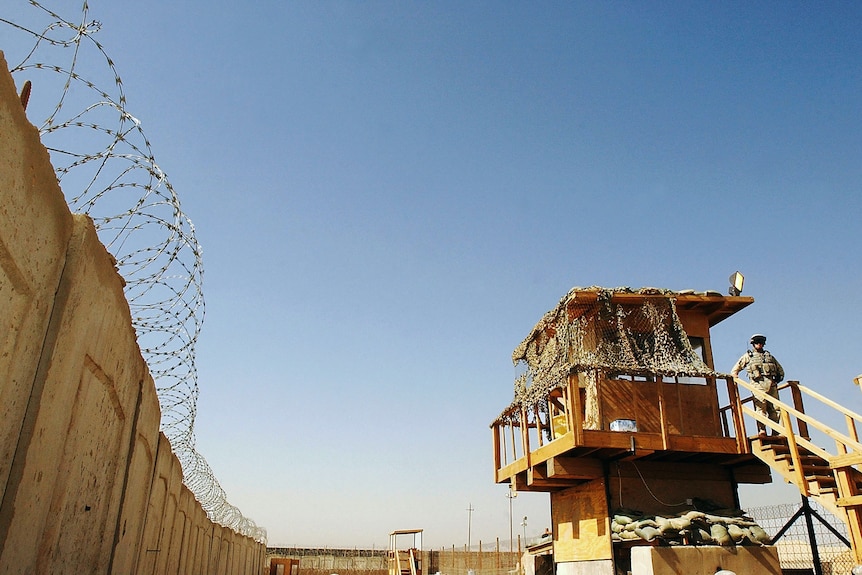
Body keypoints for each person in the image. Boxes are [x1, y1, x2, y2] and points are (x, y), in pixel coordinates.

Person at [731, 334, 785, 435]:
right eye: (757, 342)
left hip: (771, 386)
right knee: (760, 408)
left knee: (775, 409)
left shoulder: (769, 356)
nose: (759, 344)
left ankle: (776, 431)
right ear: (753, 344)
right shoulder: (748, 356)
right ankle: (762, 430)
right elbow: (735, 370)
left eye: (761, 342)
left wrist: (776, 380)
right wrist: (735, 377)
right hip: (758, 386)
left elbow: (780, 371)